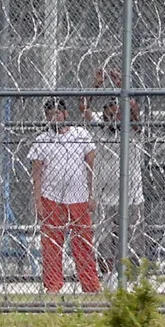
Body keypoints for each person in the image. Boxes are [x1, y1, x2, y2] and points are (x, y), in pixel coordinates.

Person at [29, 97, 101, 294]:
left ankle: (91, 286)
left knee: (83, 243)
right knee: (52, 244)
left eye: (58, 113)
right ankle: (53, 286)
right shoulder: (42, 140)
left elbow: (93, 167)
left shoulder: (80, 135)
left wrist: (92, 193)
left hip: (78, 197)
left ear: (66, 114)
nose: (55, 117)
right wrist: (38, 201)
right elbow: (36, 173)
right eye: (50, 114)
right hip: (51, 197)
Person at [83, 97, 146, 282]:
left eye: (117, 113)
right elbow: (83, 107)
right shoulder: (99, 131)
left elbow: (136, 116)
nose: (113, 117)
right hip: (104, 198)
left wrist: (127, 93)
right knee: (104, 243)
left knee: (133, 241)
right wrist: (96, 86)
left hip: (132, 198)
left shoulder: (133, 131)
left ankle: (133, 280)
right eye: (110, 113)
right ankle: (108, 278)